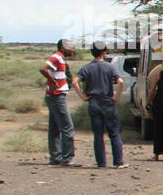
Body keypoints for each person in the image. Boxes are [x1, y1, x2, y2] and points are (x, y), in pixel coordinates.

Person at [73, 40, 127, 169]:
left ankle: (101, 163)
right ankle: (118, 162)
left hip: (94, 102)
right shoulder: (110, 67)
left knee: (98, 134)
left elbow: (74, 82)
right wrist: (116, 97)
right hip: (107, 102)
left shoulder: (86, 67)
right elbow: (120, 82)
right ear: (104, 52)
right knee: (114, 133)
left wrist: (83, 96)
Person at [41, 39, 77, 166]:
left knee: (55, 127)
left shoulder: (60, 58)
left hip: (54, 96)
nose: (72, 50)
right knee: (67, 127)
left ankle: (56, 157)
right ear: (62, 47)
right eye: (69, 48)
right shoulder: (57, 57)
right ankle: (67, 158)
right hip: (57, 96)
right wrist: (53, 82)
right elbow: (43, 69)